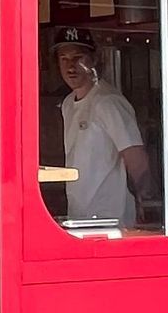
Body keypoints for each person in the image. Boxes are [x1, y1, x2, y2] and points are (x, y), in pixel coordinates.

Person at [52, 35, 148, 232]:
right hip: (79, 216)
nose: (71, 66)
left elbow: (135, 157)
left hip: (110, 219)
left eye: (78, 57)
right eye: (64, 59)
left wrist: (146, 201)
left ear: (93, 60)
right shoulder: (68, 104)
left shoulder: (108, 102)